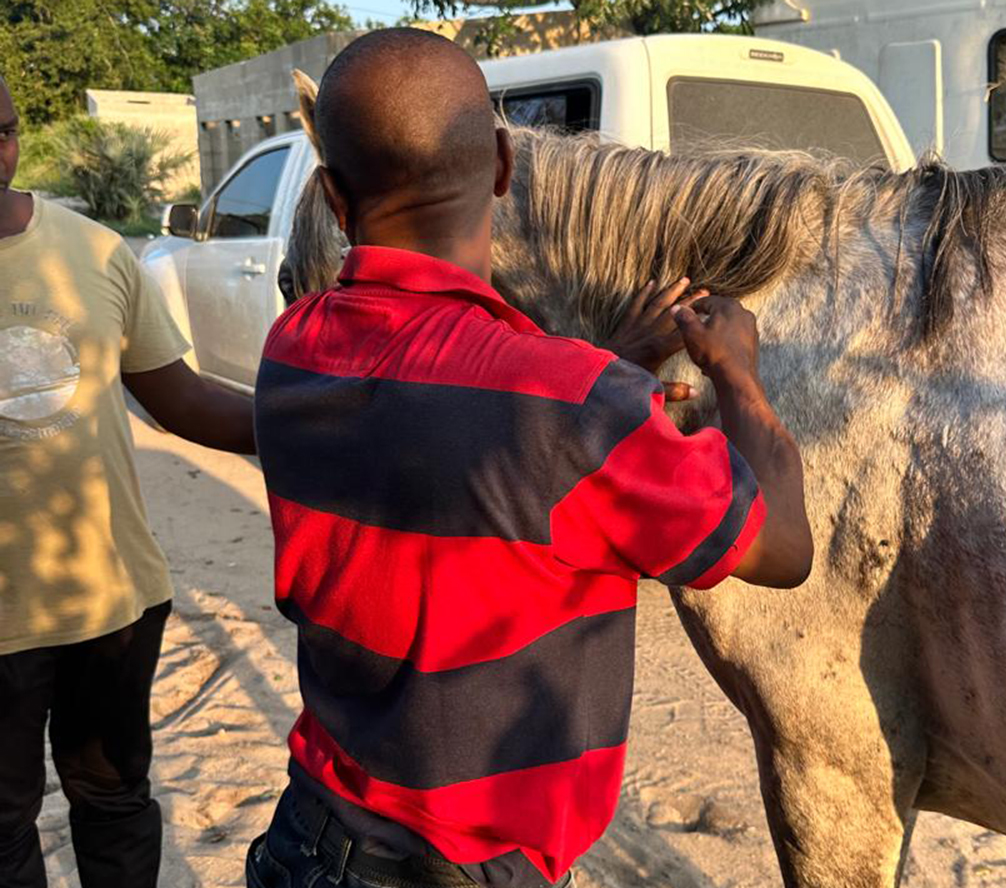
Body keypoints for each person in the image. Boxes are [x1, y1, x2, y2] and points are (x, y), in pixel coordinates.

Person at [249, 27, 813, 888]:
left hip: (308, 837)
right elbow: (783, 551)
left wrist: (604, 364)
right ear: (506, 168)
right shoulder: (571, 408)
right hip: (462, 869)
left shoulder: (293, 348)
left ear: (331, 197)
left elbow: (448, 417)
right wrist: (740, 377)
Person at [0, 73, 256, 888]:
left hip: (112, 598)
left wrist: (311, 418)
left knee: (112, 797)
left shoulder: (94, 252)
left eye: (3, 130)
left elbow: (180, 399)